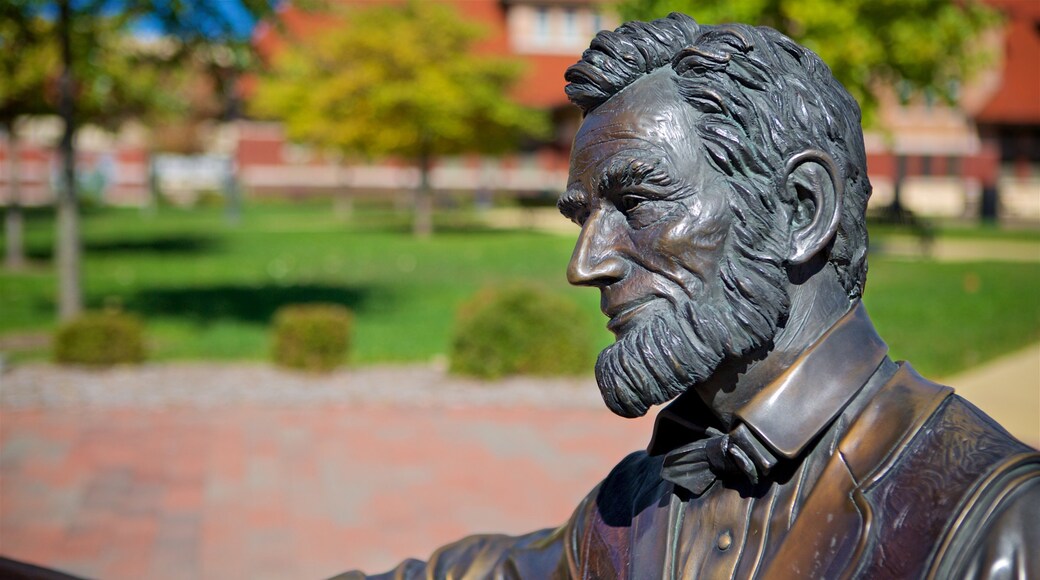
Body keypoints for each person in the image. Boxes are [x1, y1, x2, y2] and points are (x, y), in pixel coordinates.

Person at [338, 13, 1038, 579]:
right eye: (583, 218)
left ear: (799, 210)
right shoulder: (635, 507)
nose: (586, 266)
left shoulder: (995, 527)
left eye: (637, 199)